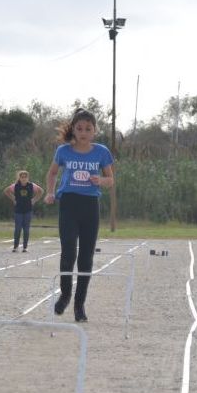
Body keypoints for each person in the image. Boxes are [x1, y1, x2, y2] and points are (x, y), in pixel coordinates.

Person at [44, 108, 114, 322]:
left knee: (86, 258)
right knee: (68, 253)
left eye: (88, 129)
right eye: (79, 128)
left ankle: (79, 305)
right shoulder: (63, 151)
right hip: (69, 203)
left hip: (90, 205)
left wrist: (100, 181)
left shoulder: (101, 152)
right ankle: (65, 295)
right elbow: (53, 173)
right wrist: (49, 192)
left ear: (94, 131)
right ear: (73, 130)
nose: (83, 132)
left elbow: (110, 179)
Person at [4, 170, 43, 253]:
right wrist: (13, 199)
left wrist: (34, 200)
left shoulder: (32, 185)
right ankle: (15, 246)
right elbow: (6, 191)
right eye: (22, 177)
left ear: (27, 178)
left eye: (25, 177)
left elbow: (41, 191)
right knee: (17, 228)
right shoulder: (15, 186)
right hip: (18, 210)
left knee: (26, 229)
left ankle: (25, 247)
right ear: (19, 178)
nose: (24, 179)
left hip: (28, 209)